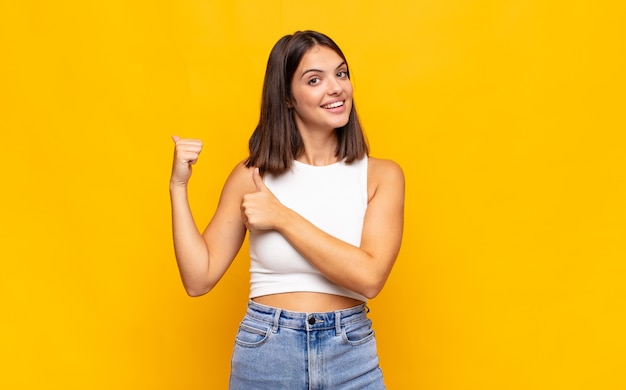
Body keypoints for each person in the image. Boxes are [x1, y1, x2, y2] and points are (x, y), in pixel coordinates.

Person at [169, 30, 404, 389]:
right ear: (288, 98)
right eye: (315, 79)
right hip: (267, 352)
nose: (336, 88)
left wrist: (282, 217)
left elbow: (369, 277)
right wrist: (179, 187)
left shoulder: (381, 176)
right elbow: (198, 279)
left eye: (341, 73)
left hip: (350, 353)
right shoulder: (253, 175)